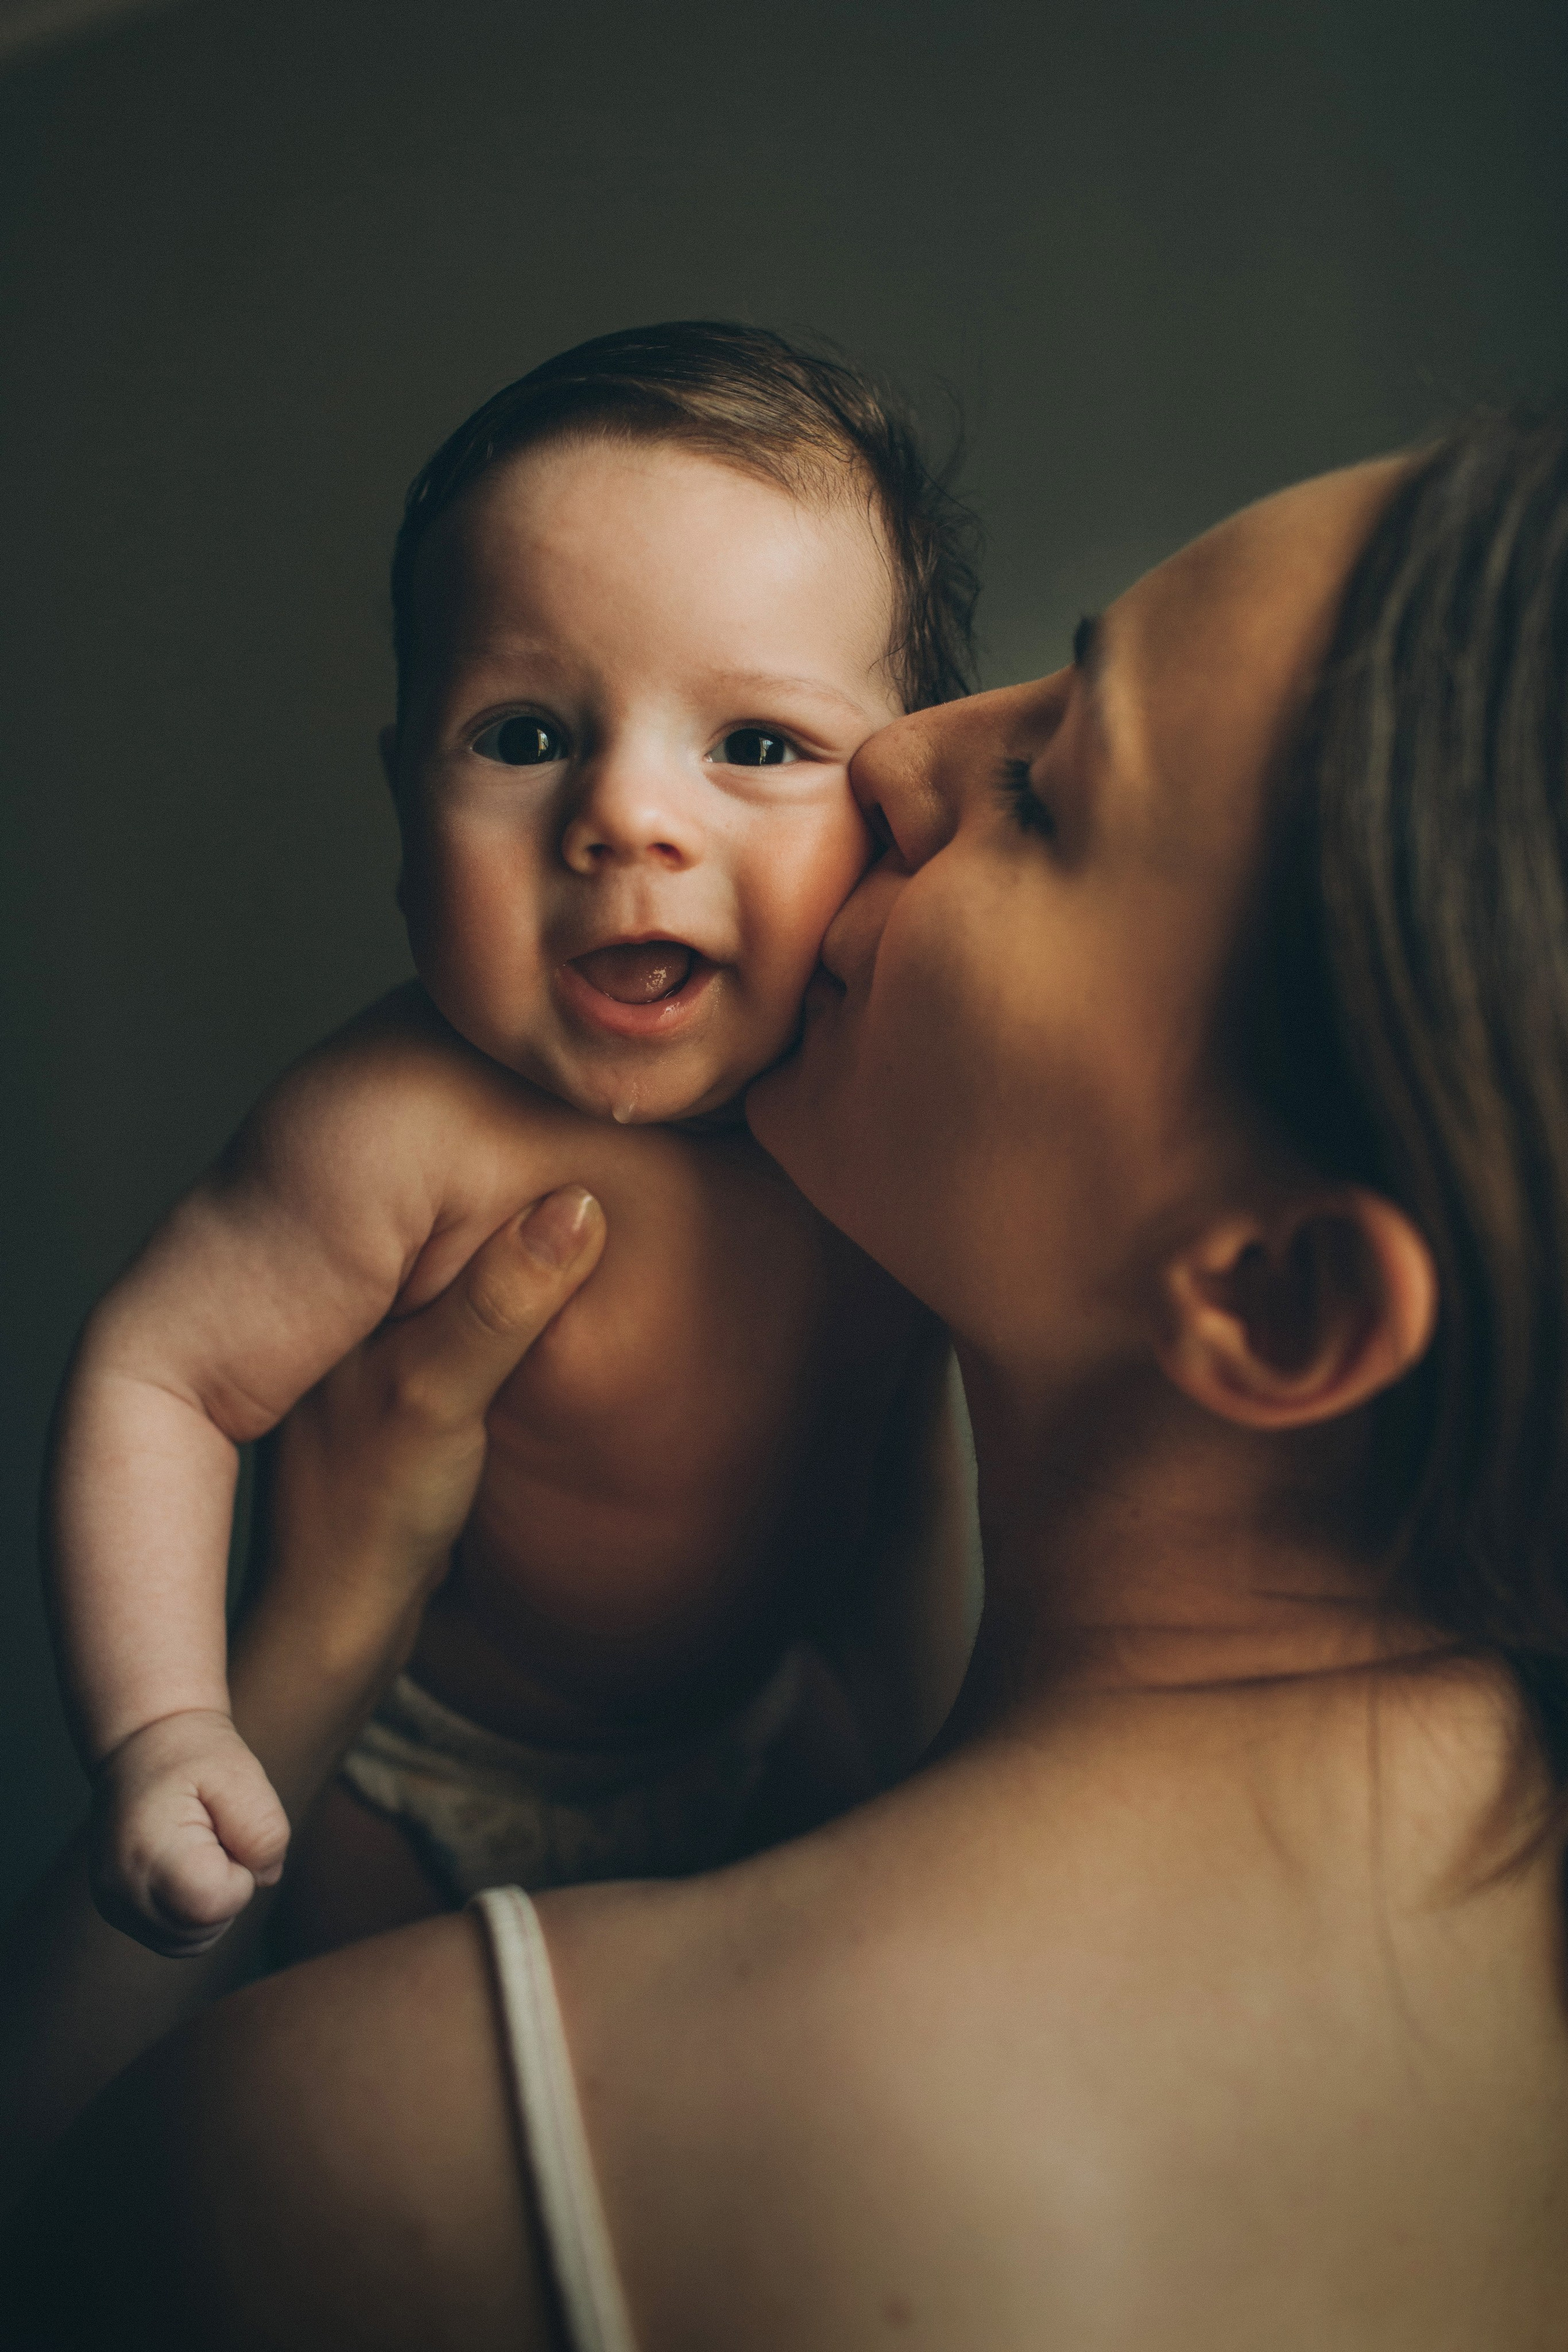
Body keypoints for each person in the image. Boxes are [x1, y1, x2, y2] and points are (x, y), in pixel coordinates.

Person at [9, 403, 1568, 2350]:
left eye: (1057, 793)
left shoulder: (386, 2143)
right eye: (524, 732)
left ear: (1271, 1296)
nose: (901, 753)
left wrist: (308, 1645)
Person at [43, 321, 980, 1961]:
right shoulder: (403, 1124)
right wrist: (166, 1730)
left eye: (757, 745)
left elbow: (903, 1466)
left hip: (761, 1722)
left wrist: (926, 1748)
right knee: (325, 2088)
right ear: (409, 814)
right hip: (419, 1775)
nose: (624, 815)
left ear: (903, 802)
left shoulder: (887, 1113)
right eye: (526, 736)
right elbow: (162, 1377)